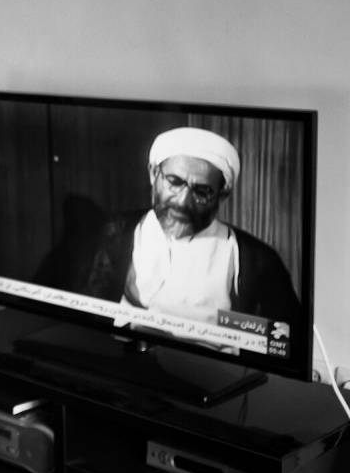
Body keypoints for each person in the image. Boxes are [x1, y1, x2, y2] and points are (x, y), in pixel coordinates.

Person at [73, 126, 301, 329]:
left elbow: (282, 338)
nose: (183, 202)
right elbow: (87, 317)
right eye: (174, 181)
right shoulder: (116, 232)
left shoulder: (259, 260)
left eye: (202, 192)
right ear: (154, 174)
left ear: (223, 194)